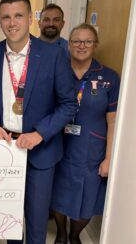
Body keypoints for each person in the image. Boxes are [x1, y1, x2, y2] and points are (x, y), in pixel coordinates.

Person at [0, 0, 77, 244]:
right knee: (9, 219)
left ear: (31, 18)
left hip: (40, 151)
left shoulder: (53, 55)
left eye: (18, 16)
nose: (12, 23)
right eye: (6, 17)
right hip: (5, 146)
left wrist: (40, 133)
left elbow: (68, 104)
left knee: (35, 222)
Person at [51, 23, 120, 244]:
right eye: (76, 41)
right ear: (68, 44)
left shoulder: (109, 77)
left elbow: (112, 118)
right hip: (59, 142)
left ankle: (74, 234)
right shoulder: (57, 71)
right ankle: (61, 234)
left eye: (87, 41)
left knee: (89, 195)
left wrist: (110, 157)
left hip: (92, 147)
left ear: (95, 44)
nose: (82, 46)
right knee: (58, 191)